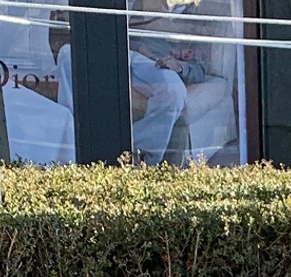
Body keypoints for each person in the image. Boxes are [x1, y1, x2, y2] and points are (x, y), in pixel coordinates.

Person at [55, 0, 214, 164]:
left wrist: (179, 67)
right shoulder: (143, 4)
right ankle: (71, 142)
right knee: (68, 54)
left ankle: (137, 155)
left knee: (174, 90)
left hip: (155, 64)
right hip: (117, 47)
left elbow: (200, 68)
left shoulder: (195, 18)